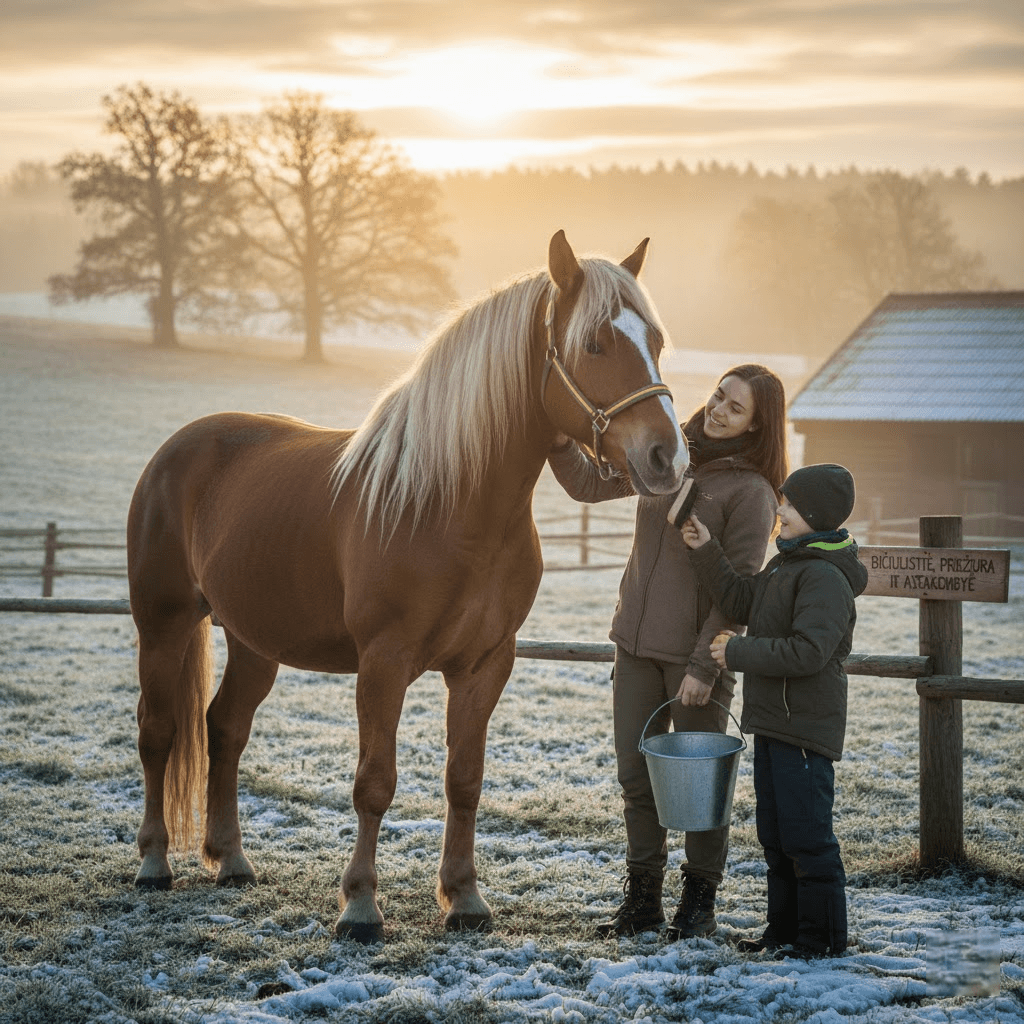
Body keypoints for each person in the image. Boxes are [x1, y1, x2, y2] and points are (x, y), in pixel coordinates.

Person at [548, 364, 788, 940]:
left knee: (700, 788)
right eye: (718, 396)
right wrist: (556, 436)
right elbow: (587, 484)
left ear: (758, 427)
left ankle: (698, 906)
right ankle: (643, 903)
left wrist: (704, 666)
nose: (718, 409)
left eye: (735, 408)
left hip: (695, 662)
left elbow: (739, 589)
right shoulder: (667, 457)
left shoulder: (751, 493)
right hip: (633, 646)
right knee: (636, 779)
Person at [681, 463, 868, 957]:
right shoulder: (786, 564)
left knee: (808, 839)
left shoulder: (824, 577)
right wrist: (707, 550)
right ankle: (783, 932)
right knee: (777, 837)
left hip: (804, 729)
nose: (779, 510)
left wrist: (735, 653)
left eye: (788, 503)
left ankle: (821, 940)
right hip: (773, 723)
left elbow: (809, 651)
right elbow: (744, 601)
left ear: (814, 514)